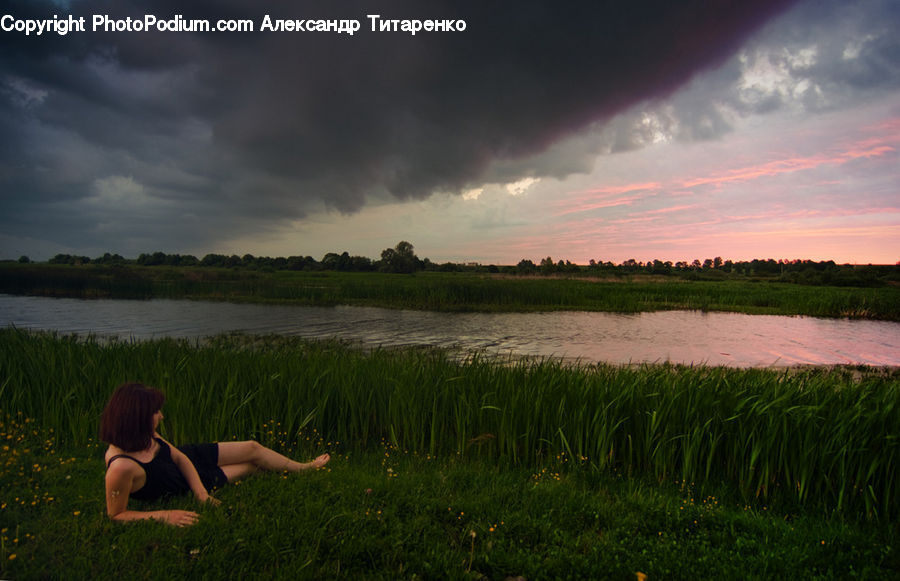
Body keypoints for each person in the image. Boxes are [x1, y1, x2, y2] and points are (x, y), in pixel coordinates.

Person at [100, 382, 330, 526]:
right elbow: (117, 515)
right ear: (137, 418)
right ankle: (285, 472)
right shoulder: (121, 468)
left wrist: (201, 495)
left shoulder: (144, 435)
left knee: (252, 447)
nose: (161, 416)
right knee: (251, 467)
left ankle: (305, 467)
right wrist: (165, 515)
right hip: (178, 482)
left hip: (192, 458)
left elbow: (178, 456)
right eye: (155, 412)